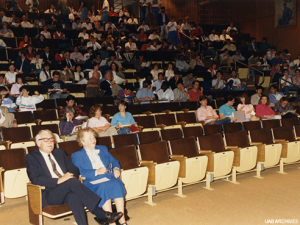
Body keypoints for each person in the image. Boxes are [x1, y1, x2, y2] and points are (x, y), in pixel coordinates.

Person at [26, 129, 122, 225]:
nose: (50, 142)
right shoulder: (31, 157)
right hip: (49, 193)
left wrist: (68, 178)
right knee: (71, 181)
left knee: (74, 196)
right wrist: (59, 180)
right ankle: (100, 213)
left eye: (51, 139)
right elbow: (35, 179)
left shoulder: (59, 153)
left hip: (67, 189)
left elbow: (74, 170)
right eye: (46, 140)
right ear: (38, 143)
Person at [71, 128, 127, 225]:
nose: (93, 139)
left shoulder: (102, 149)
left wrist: (116, 169)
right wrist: (96, 172)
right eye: (89, 138)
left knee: (117, 183)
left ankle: (122, 220)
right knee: (104, 187)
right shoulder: (77, 155)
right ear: (82, 141)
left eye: (93, 137)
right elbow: (79, 172)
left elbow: (114, 161)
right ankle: (111, 222)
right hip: (91, 181)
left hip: (107, 177)